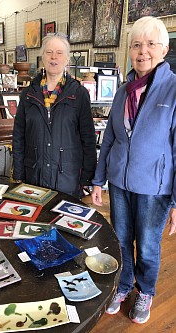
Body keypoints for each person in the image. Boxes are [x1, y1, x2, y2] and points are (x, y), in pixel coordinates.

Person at [91, 16, 176, 324]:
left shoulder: (173, 89)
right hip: (119, 184)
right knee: (121, 240)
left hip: (155, 188)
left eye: (151, 44)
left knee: (149, 245)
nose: (143, 51)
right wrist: (99, 179)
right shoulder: (123, 90)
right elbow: (110, 138)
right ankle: (124, 285)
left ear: (164, 50)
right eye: (137, 44)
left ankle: (146, 292)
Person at [13, 33, 97, 198]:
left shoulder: (78, 94)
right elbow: (18, 137)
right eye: (49, 52)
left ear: (67, 59)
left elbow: (88, 139)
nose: (54, 57)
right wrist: (18, 173)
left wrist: (88, 176)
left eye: (59, 53)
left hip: (67, 178)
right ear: (42, 57)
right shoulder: (29, 94)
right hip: (34, 176)